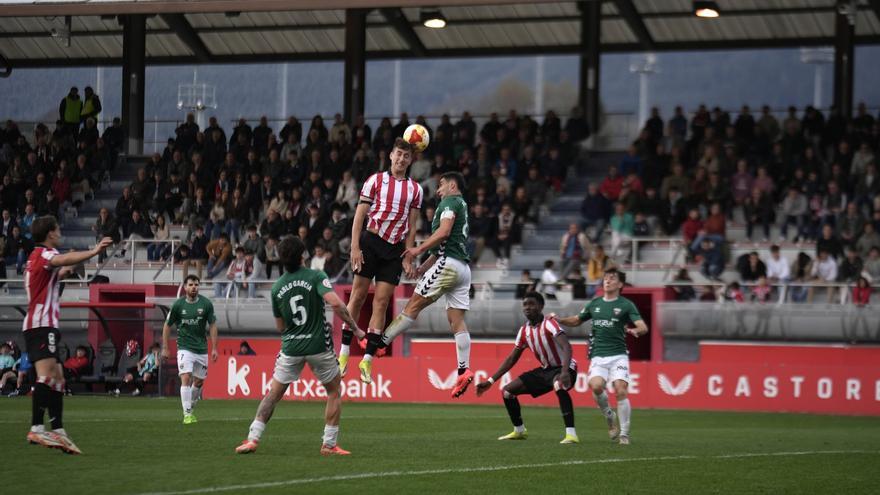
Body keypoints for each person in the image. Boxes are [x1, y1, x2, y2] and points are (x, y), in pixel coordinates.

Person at [235, 236, 362, 456]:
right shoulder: (316, 276)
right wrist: (356, 329)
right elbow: (335, 303)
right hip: (318, 346)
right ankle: (328, 444)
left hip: (291, 347)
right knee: (333, 391)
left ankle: (252, 439)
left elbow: (280, 326)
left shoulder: (277, 288)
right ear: (303, 255)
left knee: (273, 395)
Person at [360, 172, 474, 399]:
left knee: (412, 306)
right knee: (457, 322)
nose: (438, 191)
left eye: (441, 186)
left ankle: (378, 345)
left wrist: (416, 250)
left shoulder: (450, 202)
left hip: (448, 265)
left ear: (452, 186)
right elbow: (442, 244)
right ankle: (463, 370)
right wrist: (422, 268)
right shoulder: (462, 204)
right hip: (462, 269)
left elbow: (444, 232)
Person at [22, 215, 113, 454]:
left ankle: (59, 431)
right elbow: (62, 259)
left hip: (41, 324)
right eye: (57, 229)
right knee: (46, 377)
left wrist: (66, 271)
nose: (60, 231)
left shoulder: (34, 258)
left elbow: (52, 275)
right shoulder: (45, 254)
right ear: (50, 233)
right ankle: (36, 427)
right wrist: (93, 251)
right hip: (42, 325)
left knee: (59, 377)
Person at [337, 138, 423, 376]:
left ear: (411, 160)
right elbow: (360, 215)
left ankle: (367, 359)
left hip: (394, 250)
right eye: (398, 154)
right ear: (391, 156)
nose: (401, 159)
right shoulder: (375, 180)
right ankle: (343, 353)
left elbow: (412, 226)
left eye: (406, 156)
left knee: (382, 302)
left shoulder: (416, 189)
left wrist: (408, 256)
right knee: (358, 295)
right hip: (370, 243)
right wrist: (354, 247)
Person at [552, 268, 648, 445]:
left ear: (620, 284)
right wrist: (560, 319)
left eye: (612, 278)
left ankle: (624, 435)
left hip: (618, 355)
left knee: (620, 389)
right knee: (596, 386)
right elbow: (577, 320)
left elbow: (643, 327)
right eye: (605, 278)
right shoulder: (594, 303)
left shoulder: (626, 305)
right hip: (598, 355)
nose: (607, 280)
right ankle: (610, 417)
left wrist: (635, 331)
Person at [475, 292, 579, 444]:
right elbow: (512, 358)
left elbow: (566, 346)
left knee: (559, 385)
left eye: (531, 304)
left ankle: (571, 434)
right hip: (546, 370)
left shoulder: (549, 323)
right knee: (507, 392)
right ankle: (519, 431)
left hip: (565, 367)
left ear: (541, 306)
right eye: (525, 305)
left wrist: (564, 372)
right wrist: (490, 381)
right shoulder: (524, 331)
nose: (528, 308)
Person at [161, 275, 219, 424]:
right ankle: (187, 414)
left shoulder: (206, 304)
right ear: (185, 287)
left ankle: (190, 406)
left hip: (201, 348)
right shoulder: (178, 305)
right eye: (191, 285)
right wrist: (166, 347)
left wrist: (214, 348)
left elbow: (212, 325)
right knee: (186, 377)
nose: (194, 287)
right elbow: (167, 326)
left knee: (198, 382)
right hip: (184, 347)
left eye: (196, 285)